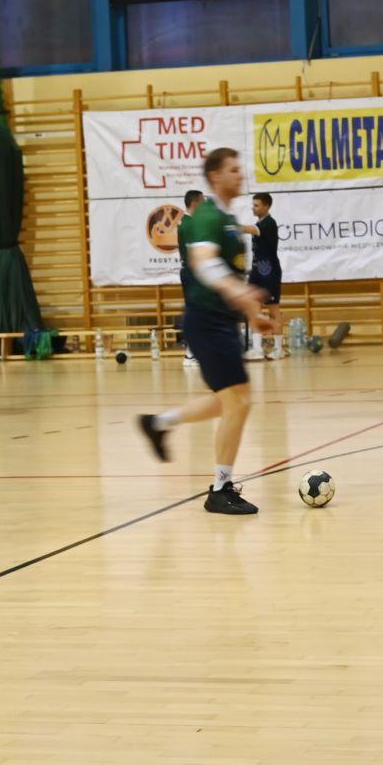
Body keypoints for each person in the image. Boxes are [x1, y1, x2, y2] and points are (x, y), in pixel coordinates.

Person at [139, 149, 274, 514]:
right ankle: (220, 489)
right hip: (206, 320)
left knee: (228, 401)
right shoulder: (206, 217)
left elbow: (232, 272)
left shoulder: (228, 220)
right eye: (233, 169)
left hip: (223, 321)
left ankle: (159, 423)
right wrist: (241, 294)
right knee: (239, 402)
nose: (240, 174)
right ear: (215, 176)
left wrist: (252, 313)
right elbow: (205, 265)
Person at [249, 192, 286, 360]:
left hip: (269, 272)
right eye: (253, 205)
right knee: (254, 309)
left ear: (266, 206)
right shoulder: (259, 223)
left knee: (273, 309)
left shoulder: (269, 223)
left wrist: (232, 225)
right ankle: (257, 349)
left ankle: (278, 349)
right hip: (256, 271)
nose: (253, 208)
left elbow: (252, 230)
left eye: (256, 205)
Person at [178, 189, 205, 367]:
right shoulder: (189, 224)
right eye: (202, 201)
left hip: (192, 272)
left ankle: (196, 351)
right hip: (193, 272)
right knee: (194, 312)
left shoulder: (187, 222)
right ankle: (190, 353)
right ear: (195, 203)